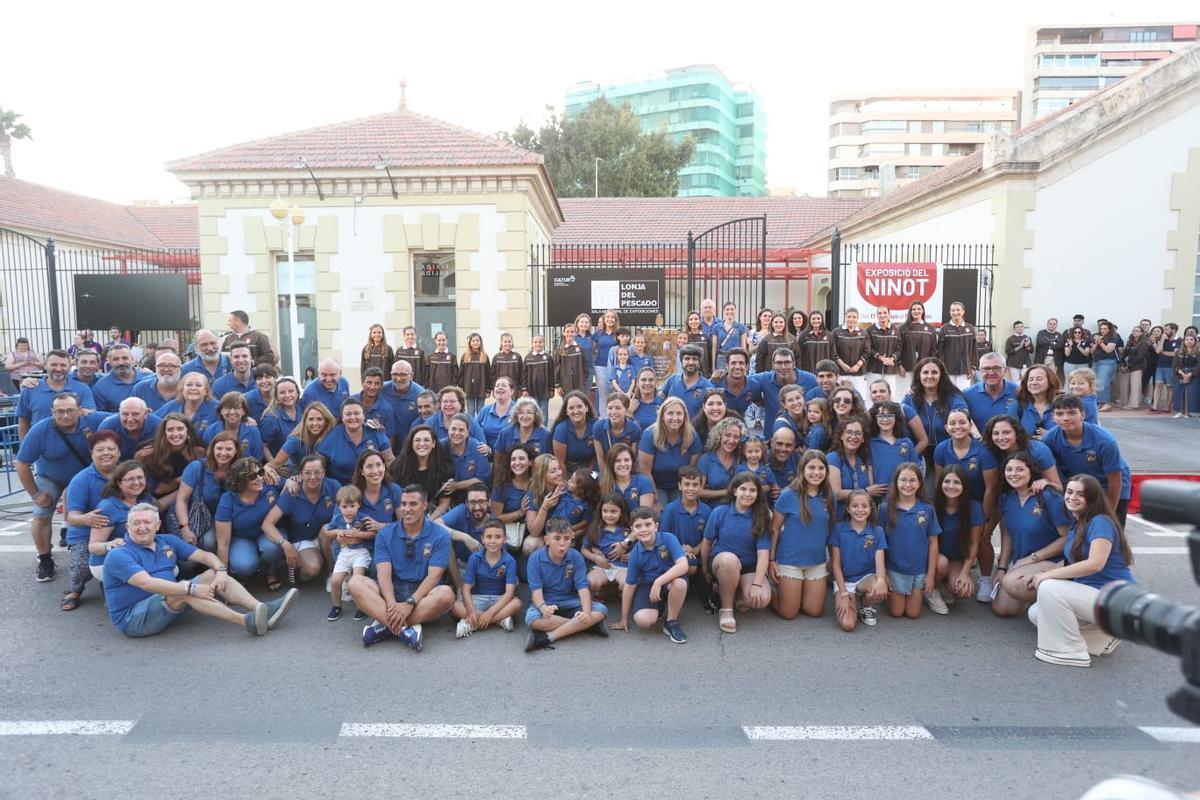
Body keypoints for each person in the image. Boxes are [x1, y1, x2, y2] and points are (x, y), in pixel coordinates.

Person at [103, 503, 296, 637]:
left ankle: (262, 609)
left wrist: (221, 570)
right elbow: (147, 584)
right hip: (134, 619)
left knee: (210, 574)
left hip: (167, 604)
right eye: (136, 523)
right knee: (183, 590)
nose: (142, 527)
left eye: (147, 522)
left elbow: (205, 556)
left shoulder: (166, 541)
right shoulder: (119, 554)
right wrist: (191, 588)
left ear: (158, 525)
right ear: (127, 527)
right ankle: (247, 621)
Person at [1025, 475, 1133, 667]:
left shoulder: (1100, 522)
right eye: (1069, 492)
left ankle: (1071, 651)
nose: (1072, 497)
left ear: (1093, 498)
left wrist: (1047, 576)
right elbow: (1070, 563)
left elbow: (1095, 564)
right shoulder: (1078, 523)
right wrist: (1038, 575)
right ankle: (1102, 638)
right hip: (1098, 596)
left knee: (1050, 588)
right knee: (1036, 613)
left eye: (1080, 494)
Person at [15, 392, 109, 581]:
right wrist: (35, 494)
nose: (65, 415)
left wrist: (144, 412)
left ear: (80, 410)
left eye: (70, 410)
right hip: (52, 478)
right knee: (41, 514)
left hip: (84, 477)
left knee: (105, 509)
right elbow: (22, 464)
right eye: (60, 411)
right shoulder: (40, 430)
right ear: (52, 412)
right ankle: (45, 559)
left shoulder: (92, 420)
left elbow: (122, 416)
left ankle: (98, 549)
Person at [355, 484, 456, 651]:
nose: (407, 509)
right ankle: (404, 629)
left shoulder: (440, 535)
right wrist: (392, 604)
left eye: (413, 504)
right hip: (392, 590)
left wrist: (410, 603)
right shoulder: (385, 533)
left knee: (447, 595)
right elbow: (384, 575)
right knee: (355, 583)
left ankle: (385, 627)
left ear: (424, 505)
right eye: (403, 504)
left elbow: (434, 576)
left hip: (422, 594)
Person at [991, 451, 1069, 618]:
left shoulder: (1048, 496)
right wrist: (1002, 569)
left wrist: (1031, 559)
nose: (1013, 474)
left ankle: (1061, 604)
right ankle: (1035, 594)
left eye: (1020, 469)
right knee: (1002, 609)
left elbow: (1067, 538)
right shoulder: (1006, 498)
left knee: (1011, 583)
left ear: (1031, 471)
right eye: (1009, 469)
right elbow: (1007, 536)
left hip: (1055, 561)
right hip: (1024, 563)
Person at [1042, 394, 1131, 525]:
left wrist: (1108, 516)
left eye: (1072, 413)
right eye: (1059, 414)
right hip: (1079, 488)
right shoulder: (1049, 439)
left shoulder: (1105, 441)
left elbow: (1115, 482)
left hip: (1110, 487)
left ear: (1082, 415)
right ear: (1053, 417)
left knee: (1109, 530)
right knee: (1079, 531)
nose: (1065, 418)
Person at [524, 517, 608, 652]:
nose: (562, 544)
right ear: (546, 540)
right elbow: (536, 592)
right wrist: (543, 607)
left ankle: (548, 637)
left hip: (570, 600)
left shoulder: (575, 556)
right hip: (546, 602)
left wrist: (586, 613)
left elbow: (583, 588)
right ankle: (588, 626)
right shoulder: (535, 559)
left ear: (571, 539)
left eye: (567, 538)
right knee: (533, 620)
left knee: (601, 610)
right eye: (557, 538)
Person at [702, 472, 772, 633]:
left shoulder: (761, 516)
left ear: (758, 493)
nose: (747, 494)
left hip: (748, 565)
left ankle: (738, 591)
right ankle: (726, 610)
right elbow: (707, 542)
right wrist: (705, 571)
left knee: (761, 599)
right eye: (743, 489)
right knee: (730, 560)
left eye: (752, 490)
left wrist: (757, 585)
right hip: (723, 561)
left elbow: (763, 554)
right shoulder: (719, 512)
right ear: (734, 491)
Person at [60, 431, 122, 610]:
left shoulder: (128, 473)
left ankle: (110, 585)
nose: (106, 453)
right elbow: (71, 516)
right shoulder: (81, 479)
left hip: (119, 531)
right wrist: (86, 519)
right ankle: (75, 588)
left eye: (111, 448)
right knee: (81, 568)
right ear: (91, 453)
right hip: (85, 534)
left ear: (119, 452)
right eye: (100, 449)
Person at [770, 449, 833, 620]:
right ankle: (771, 592)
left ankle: (798, 591)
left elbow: (830, 529)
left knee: (814, 611)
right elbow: (775, 528)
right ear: (802, 469)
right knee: (789, 613)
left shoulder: (828, 496)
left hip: (816, 561)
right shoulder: (788, 494)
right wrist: (771, 559)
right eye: (811, 468)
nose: (816, 472)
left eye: (821, 468)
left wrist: (833, 561)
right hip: (790, 560)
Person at [610, 506, 690, 643]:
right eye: (638, 526)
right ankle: (659, 605)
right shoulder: (635, 553)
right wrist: (623, 619)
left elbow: (683, 565)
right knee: (643, 621)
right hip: (648, 585)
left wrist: (659, 582)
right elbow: (629, 585)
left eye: (648, 524)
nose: (643, 529)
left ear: (656, 526)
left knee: (680, 583)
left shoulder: (669, 538)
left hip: (670, 581)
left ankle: (671, 621)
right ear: (633, 530)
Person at [261, 454, 339, 587]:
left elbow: (347, 511)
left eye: (317, 472)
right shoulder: (293, 491)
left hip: (327, 536)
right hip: (303, 539)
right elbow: (267, 524)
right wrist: (286, 545)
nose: (313, 477)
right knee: (312, 569)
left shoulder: (333, 486)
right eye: (307, 473)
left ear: (324, 473)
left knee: (326, 529)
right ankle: (299, 566)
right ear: (301, 474)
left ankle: (332, 574)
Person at [879, 463, 941, 620]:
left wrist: (931, 575)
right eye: (903, 480)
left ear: (920, 483)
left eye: (912, 480)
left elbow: (933, 543)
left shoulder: (927, 509)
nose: (907, 484)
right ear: (896, 482)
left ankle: (918, 593)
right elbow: (879, 545)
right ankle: (890, 593)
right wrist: (882, 574)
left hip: (918, 570)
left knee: (913, 614)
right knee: (896, 612)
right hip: (895, 569)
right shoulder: (885, 508)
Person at [214, 457, 280, 584]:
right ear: (240, 481)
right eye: (252, 476)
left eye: (260, 472)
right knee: (243, 566)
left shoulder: (269, 482)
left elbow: (291, 483)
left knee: (273, 548)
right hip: (242, 537)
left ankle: (271, 571)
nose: (259, 478)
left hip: (268, 533)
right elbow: (223, 544)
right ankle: (240, 575)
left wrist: (290, 482)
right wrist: (223, 576)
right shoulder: (227, 499)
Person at [829, 490, 889, 631]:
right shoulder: (839, 529)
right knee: (848, 625)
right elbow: (835, 565)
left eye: (864, 506)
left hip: (865, 578)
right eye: (855, 506)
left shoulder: (877, 531)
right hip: (845, 580)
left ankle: (866, 605)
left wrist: (881, 580)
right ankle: (851, 600)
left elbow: (879, 563)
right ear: (848, 509)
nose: (860, 510)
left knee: (879, 588)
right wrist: (844, 593)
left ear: (871, 508)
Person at [452, 517, 521, 638]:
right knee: (455, 607)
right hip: (478, 597)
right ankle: (499, 620)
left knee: (517, 603)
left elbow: (509, 593)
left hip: (499, 599)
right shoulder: (475, 558)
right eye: (489, 537)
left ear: (505, 539)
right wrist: (471, 610)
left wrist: (489, 614)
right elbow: (466, 588)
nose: (493, 541)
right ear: (482, 539)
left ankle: (472, 623)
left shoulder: (510, 561)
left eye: (498, 537)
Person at [929, 465, 983, 614]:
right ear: (940, 483)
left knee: (962, 589)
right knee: (941, 564)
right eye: (947, 481)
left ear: (964, 485)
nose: (951, 486)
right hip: (934, 557)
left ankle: (943, 584)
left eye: (956, 482)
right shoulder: (931, 505)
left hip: (955, 558)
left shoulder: (974, 508)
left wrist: (965, 572)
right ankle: (931, 590)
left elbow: (973, 543)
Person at [176, 432, 241, 552]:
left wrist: (267, 469)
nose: (223, 453)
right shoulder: (197, 467)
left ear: (236, 451)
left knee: (215, 541)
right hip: (197, 514)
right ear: (212, 449)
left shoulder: (239, 469)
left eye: (228, 449)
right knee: (207, 543)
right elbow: (182, 500)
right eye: (219, 448)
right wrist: (184, 528)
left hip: (225, 517)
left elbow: (257, 473)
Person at [137, 412, 206, 523]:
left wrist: (186, 483)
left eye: (180, 429)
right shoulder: (148, 454)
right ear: (164, 433)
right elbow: (155, 488)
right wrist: (183, 480)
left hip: (188, 499)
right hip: (157, 501)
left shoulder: (198, 452)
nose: (175, 434)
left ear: (187, 431)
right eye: (170, 430)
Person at [322, 484, 374, 621]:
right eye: (344, 507)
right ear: (339, 507)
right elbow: (326, 532)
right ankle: (336, 606)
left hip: (361, 552)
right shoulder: (338, 519)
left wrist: (358, 534)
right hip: (344, 552)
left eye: (352, 506)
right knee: (335, 580)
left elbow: (372, 534)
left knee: (357, 580)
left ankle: (362, 606)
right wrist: (337, 531)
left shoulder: (363, 518)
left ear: (359, 504)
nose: (349, 510)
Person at [16, 350, 96, 438]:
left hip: (74, 443)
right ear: (45, 365)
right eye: (53, 365)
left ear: (70, 367)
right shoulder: (30, 389)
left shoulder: (83, 389)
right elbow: (23, 421)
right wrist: (24, 444)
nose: (58, 369)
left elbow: (89, 419)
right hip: (40, 444)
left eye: (63, 365)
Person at [638, 397, 702, 507]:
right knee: (660, 513)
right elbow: (645, 471)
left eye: (679, 414)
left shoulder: (692, 436)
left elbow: (691, 470)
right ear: (662, 416)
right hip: (656, 484)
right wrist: (656, 501)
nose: (675, 418)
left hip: (679, 485)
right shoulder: (649, 435)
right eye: (670, 413)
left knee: (679, 511)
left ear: (684, 416)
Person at [903, 357, 967, 460]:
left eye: (934, 372)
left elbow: (963, 413)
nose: (929, 376)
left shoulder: (953, 396)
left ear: (941, 375)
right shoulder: (910, 398)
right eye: (925, 372)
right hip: (919, 454)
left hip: (948, 454)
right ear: (919, 375)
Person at [317, 398, 394, 484]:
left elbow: (390, 462)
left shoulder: (376, 433)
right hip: (342, 488)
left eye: (357, 413)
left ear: (363, 416)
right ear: (342, 418)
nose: (353, 417)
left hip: (373, 485)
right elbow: (318, 467)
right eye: (348, 414)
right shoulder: (332, 437)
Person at [388, 425, 453, 519]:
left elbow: (444, 503)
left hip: (431, 518)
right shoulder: (397, 467)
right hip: (402, 517)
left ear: (433, 443)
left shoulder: (444, 469)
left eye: (426, 440)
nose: (422, 444)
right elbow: (393, 500)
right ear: (411, 443)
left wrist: (428, 523)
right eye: (417, 440)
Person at [582, 492, 631, 598]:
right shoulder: (595, 529)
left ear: (621, 512)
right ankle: (596, 599)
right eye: (605, 511)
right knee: (589, 582)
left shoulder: (627, 530)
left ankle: (619, 595)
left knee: (627, 583)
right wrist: (594, 557)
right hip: (601, 567)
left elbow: (639, 547)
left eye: (613, 511)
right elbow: (584, 549)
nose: (608, 515)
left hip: (622, 567)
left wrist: (632, 555)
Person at [270, 402, 336, 476]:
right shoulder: (295, 440)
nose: (315, 423)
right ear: (305, 421)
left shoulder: (331, 436)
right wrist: (268, 470)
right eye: (311, 419)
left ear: (326, 422)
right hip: (295, 472)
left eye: (319, 419)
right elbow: (274, 465)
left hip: (320, 474)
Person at [441, 415, 492, 506]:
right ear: (448, 430)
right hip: (445, 496)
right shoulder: (440, 447)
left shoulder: (478, 448)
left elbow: (482, 479)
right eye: (453, 429)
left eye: (461, 430)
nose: (457, 433)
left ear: (468, 432)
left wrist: (456, 486)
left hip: (472, 496)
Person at [867, 401, 918, 485]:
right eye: (881, 416)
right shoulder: (871, 443)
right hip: (879, 491)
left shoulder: (906, 443)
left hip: (901, 490)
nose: (885, 419)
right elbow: (869, 468)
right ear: (875, 419)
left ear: (896, 418)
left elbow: (914, 469)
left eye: (889, 415)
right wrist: (872, 488)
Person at [202, 392, 264, 461]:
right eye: (227, 408)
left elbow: (257, 459)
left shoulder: (253, 431)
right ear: (221, 411)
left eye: (237, 408)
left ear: (244, 411)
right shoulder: (211, 431)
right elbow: (207, 458)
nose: (232, 412)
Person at [696, 417, 745, 503]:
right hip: (713, 508)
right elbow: (698, 492)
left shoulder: (742, 458)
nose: (731, 440)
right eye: (727, 435)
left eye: (736, 437)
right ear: (719, 436)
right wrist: (728, 492)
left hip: (739, 507)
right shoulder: (706, 459)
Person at [98, 397, 162, 460]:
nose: (130, 419)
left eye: (135, 414)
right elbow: (99, 457)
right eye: (125, 414)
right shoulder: (107, 428)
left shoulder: (158, 426)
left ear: (145, 414)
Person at [380, 359, 427, 445]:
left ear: (411, 375)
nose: (398, 378)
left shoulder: (421, 395)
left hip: (410, 444)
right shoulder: (381, 389)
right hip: (385, 444)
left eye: (403, 375)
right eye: (394, 374)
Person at [660, 345, 714, 419]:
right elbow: (659, 398)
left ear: (699, 363)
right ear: (681, 361)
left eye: (694, 359)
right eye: (687, 358)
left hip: (695, 426)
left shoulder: (708, 387)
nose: (691, 362)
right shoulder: (672, 380)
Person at [159, 372, 220, 436]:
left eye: (198, 385)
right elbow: (155, 421)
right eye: (189, 385)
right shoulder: (173, 405)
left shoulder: (217, 408)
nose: (193, 388)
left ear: (206, 391)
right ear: (182, 390)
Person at [352, 367, 400, 444]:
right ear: (363, 383)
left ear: (381, 386)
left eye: (377, 383)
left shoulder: (387, 409)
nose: (372, 387)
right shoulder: (351, 402)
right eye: (369, 382)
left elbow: (390, 439)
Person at [600, 443, 655, 510]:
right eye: (618, 461)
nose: (623, 464)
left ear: (632, 462)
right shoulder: (605, 484)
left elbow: (645, 513)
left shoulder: (643, 482)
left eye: (626, 460)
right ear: (611, 463)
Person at [592, 392, 642, 466]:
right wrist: (606, 474)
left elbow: (632, 458)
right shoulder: (598, 427)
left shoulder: (635, 429)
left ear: (626, 410)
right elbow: (600, 458)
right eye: (610, 408)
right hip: (606, 467)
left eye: (618, 408)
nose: (613, 412)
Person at [937, 301, 978, 389]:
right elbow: (940, 351)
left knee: (963, 394)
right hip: (948, 371)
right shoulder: (944, 329)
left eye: (958, 310)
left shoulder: (970, 328)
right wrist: (942, 368)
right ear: (950, 312)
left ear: (963, 311)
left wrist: (973, 367)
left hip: (965, 371)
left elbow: (974, 349)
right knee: (948, 394)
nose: (955, 312)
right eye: (953, 310)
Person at [258, 377, 301, 460]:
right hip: (285, 464)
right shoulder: (272, 418)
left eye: (291, 391)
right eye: (282, 392)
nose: (287, 395)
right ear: (277, 396)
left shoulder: (303, 409)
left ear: (297, 393)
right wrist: (274, 464)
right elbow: (263, 445)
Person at [832, 307, 870, 397]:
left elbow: (867, 352)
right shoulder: (836, 332)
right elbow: (833, 351)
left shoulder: (864, 333)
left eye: (854, 317)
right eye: (849, 317)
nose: (851, 319)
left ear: (857, 318)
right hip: (840, 372)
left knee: (858, 397)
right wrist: (842, 365)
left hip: (858, 373)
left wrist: (858, 365)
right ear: (844, 317)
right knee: (841, 397)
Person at [92, 344, 141, 412]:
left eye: (125, 358)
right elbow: (99, 415)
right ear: (109, 362)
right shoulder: (100, 387)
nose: (121, 363)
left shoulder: (148, 378)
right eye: (116, 359)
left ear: (132, 359)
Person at [866, 306, 903, 397]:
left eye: (885, 313)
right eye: (880, 313)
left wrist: (892, 358)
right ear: (877, 315)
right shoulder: (870, 330)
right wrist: (880, 357)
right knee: (873, 395)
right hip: (874, 369)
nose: (882, 315)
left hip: (890, 369)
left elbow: (899, 348)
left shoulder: (895, 329)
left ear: (889, 315)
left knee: (890, 395)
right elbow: (868, 348)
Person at [1016, 364, 1060, 438]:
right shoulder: (1018, 405)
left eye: (1039, 379)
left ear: (1050, 381)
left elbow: (1072, 435)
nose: (1034, 383)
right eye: (1030, 379)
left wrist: (1049, 436)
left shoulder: (1063, 404)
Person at [899, 301, 938, 383]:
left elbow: (934, 350)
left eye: (919, 309)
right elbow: (898, 348)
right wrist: (899, 365)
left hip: (924, 370)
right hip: (906, 370)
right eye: (914, 309)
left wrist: (929, 365)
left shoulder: (930, 329)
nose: (916, 311)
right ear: (910, 311)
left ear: (923, 311)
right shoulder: (902, 328)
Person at [476, 375, 516, 452]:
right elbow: (475, 432)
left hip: (511, 455)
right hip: (487, 455)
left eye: (504, 386)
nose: (500, 387)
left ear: (512, 391)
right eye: (497, 386)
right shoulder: (485, 410)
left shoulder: (519, 410)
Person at [1119, 324, 1153, 411]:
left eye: (1137, 330)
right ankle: (1124, 403)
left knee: (1135, 386)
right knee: (1124, 385)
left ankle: (1133, 405)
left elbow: (1140, 357)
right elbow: (1125, 354)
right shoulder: (1129, 342)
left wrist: (1128, 365)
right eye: (1133, 330)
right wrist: (1122, 364)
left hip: (1137, 367)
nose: (1134, 332)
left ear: (1142, 333)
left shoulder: (1145, 343)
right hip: (1127, 366)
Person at [522, 334, 553, 423]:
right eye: (535, 342)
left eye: (540, 342)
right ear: (532, 344)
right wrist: (524, 389)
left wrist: (551, 389)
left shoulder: (548, 357)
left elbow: (551, 374)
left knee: (543, 411)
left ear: (544, 343)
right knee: (533, 411)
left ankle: (543, 429)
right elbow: (524, 375)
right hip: (531, 390)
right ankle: (533, 428)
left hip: (545, 390)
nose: (538, 344)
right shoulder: (528, 358)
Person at [1091, 320, 1122, 411]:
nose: (1103, 330)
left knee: (1103, 383)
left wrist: (1100, 342)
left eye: (1105, 329)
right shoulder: (1099, 337)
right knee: (1097, 383)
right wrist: (1096, 343)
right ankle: (1100, 403)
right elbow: (1092, 351)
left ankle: (1106, 403)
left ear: (1109, 329)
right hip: (1097, 362)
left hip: (1107, 362)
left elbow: (1108, 350)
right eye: (1101, 329)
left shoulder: (1113, 337)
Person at [592, 309, 619, 407]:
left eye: (612, 317)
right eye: (607, 317)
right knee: (603, 396)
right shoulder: (597, 334)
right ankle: (604, 416)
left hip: (616, 368)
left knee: (616, 395)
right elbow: (591, 348)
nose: (610, 319)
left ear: (615, 320)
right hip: (600, 367)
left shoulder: (618, 334)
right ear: (604, 319)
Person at [459, 332, 490, 417]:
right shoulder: (465, 356)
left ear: (480, 342)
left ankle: (479, 425)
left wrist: (488, 388)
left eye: (477, 340)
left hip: (481, 388)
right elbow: (461, 373)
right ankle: (470, 425)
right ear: (470, 343)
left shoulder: (484, 356)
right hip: (468, 388)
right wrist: (461, 387)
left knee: (481, 410)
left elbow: (488, 374)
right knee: (470, 411)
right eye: (473, 341)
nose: (475, 343)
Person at [1171, 331, 1199, 418]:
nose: (1189, 341)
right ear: (1184, 341)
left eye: (1191, 339)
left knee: (1192, 393)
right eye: (1187, 339)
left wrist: (1190, 374)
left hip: (1194, 375)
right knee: (1179, 392)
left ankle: (1191, 412)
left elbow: (1199, 365)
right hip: (1181, 374)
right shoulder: (1178, 352)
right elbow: (1175, 365)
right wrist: (1181, 373)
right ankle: (1180, 411)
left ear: (1195, 341)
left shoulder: (1198, 352)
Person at [713, 302, 748, 372]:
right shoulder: (716, 327)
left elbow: (743, 348)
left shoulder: (741, 327)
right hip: (721, 358)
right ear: (724, 311)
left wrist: (744, 363)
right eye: (727, 309)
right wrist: (713, 365)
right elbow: (714, 348)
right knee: (721, 378)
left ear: (735, 311)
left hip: (736, 358)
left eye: (732, 309)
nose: (730, 311)